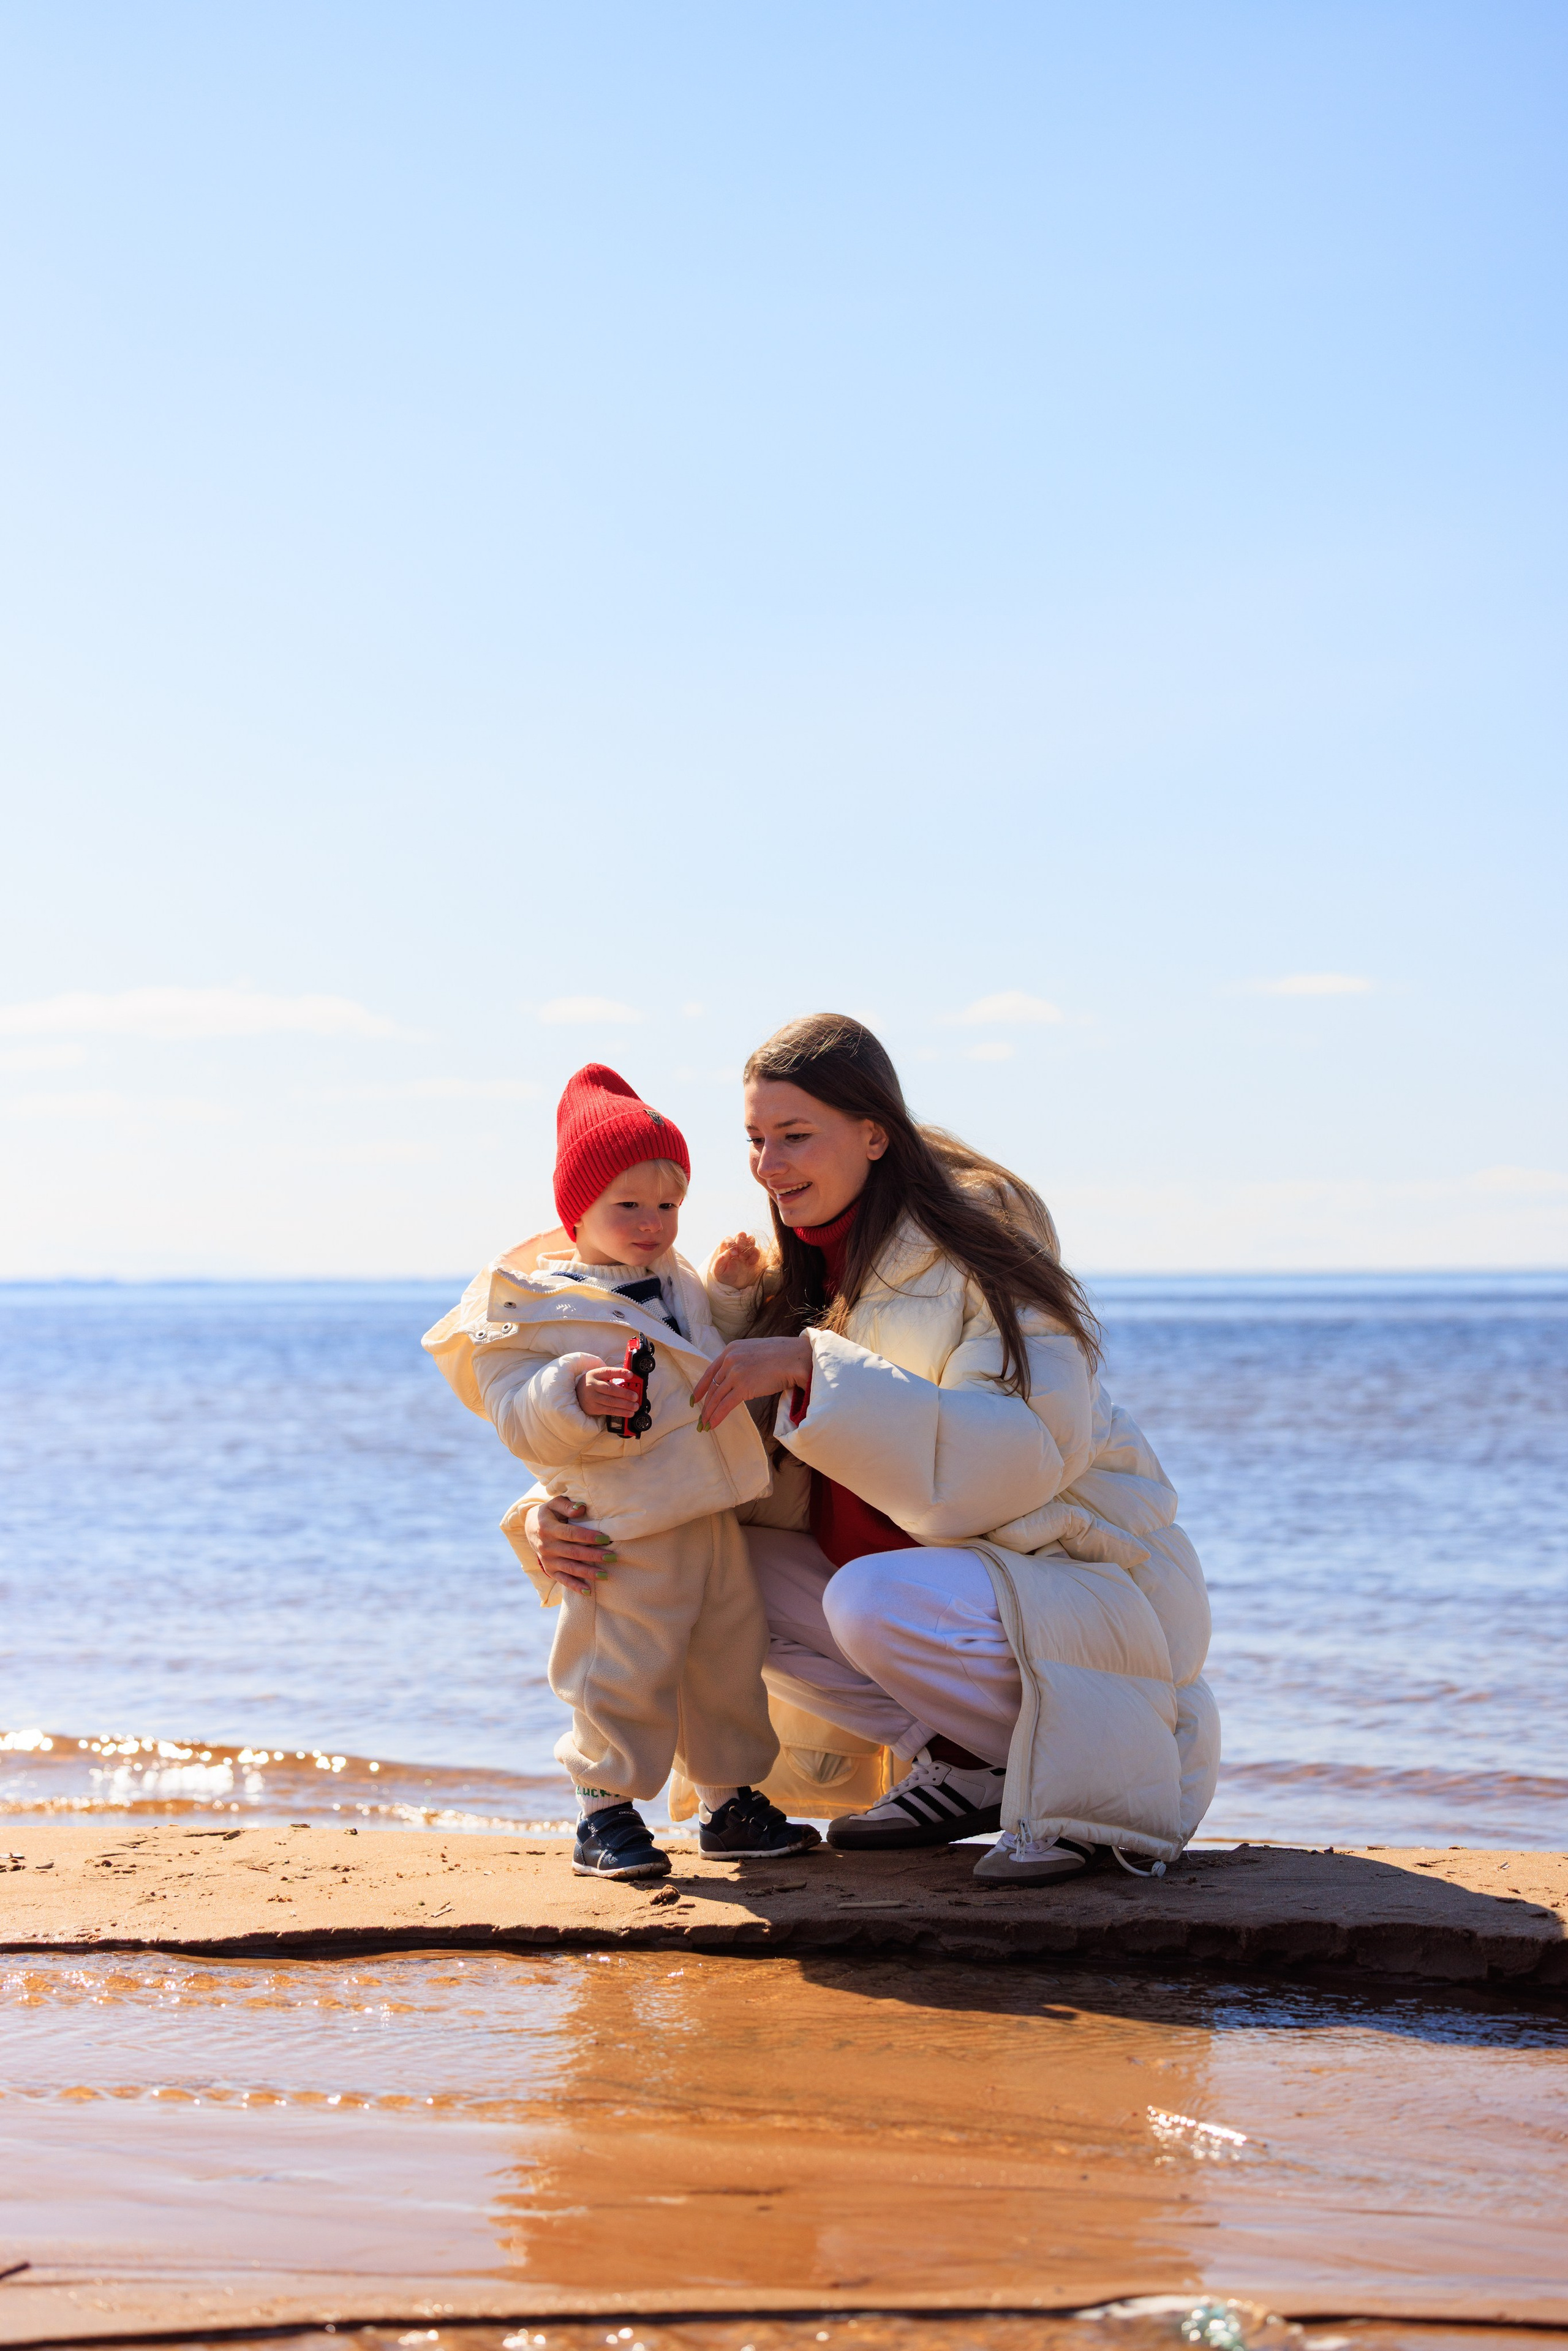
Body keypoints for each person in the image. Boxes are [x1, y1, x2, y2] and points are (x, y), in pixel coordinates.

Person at [528, 1016, 1219, 1887]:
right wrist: (551, 1519)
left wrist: (810, 1367)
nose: (767, 1166)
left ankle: (1084, 1766)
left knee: (868, 1598)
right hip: (943, 1594)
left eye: (794, 1136)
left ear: (874, 1133)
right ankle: (967, 1764)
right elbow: (687, 1464)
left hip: (1086, 1589)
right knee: (719, 1566)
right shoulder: (798, 1273)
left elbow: (1013, 1461)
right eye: (754, 1139)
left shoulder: (986, 1246)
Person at [423, 1062, 820, 1881]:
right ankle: (601, 1809)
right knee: (618, 1665)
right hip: (623, 1523)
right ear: (579, 1212)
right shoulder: (541, 1305)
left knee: (725, 1659)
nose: (652, 1223)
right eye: (628, 1206)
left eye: (668, 1204)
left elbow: (709, 1355)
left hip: (708, 1510)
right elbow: (513, 1404)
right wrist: (573, 1388)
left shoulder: (675, 1281)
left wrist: (735, 1293)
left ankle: (728, 1800)